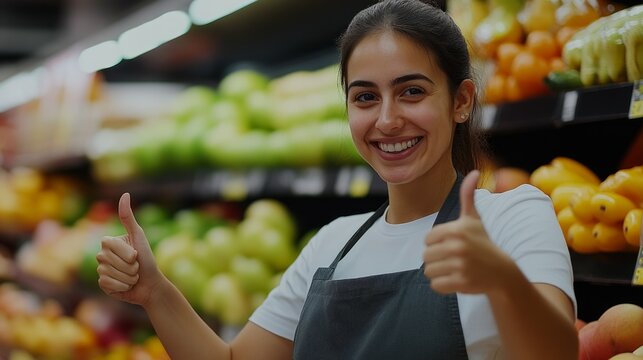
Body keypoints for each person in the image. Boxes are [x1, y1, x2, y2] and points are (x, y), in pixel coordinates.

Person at [96, 0, 579, 358]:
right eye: (365, 97)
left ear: (461, 101)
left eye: (411, 91)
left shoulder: (515, 215)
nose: (387, 120)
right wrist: (155, 293)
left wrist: (502, 282)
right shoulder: (332, 246)